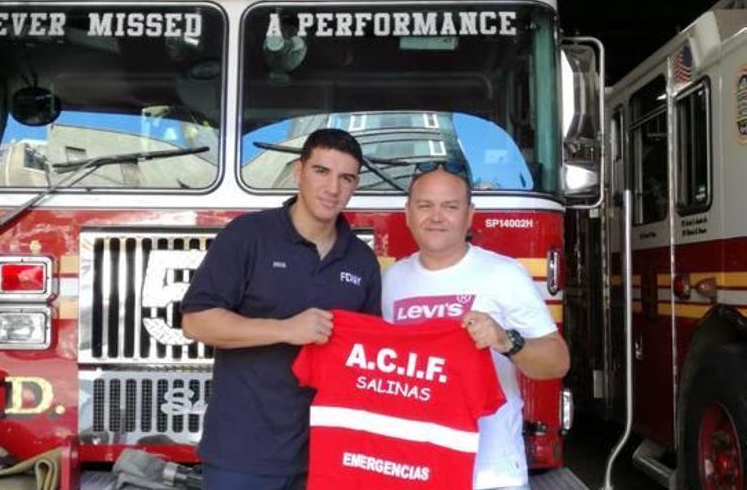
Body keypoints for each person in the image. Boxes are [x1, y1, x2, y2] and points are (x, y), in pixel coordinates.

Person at [181, 128, 382, 490]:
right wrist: (287, 329)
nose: (333, 188)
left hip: (328, 457)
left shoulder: (362, 260)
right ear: (299, 172)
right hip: (243, 455)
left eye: (346, 177)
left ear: (355, 185)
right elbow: (197, 322)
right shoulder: (247, 235)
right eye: (322, 171)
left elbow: (368, 361)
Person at [381, 162, 570, 490]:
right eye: (425, 205)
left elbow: (557, 362)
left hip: (491, 476)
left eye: (450, 206)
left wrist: (506, 340)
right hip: (416, 472)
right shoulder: (392, 280)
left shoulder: (504, 274)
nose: (436, 216)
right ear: (408, 213)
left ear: (469, 215)